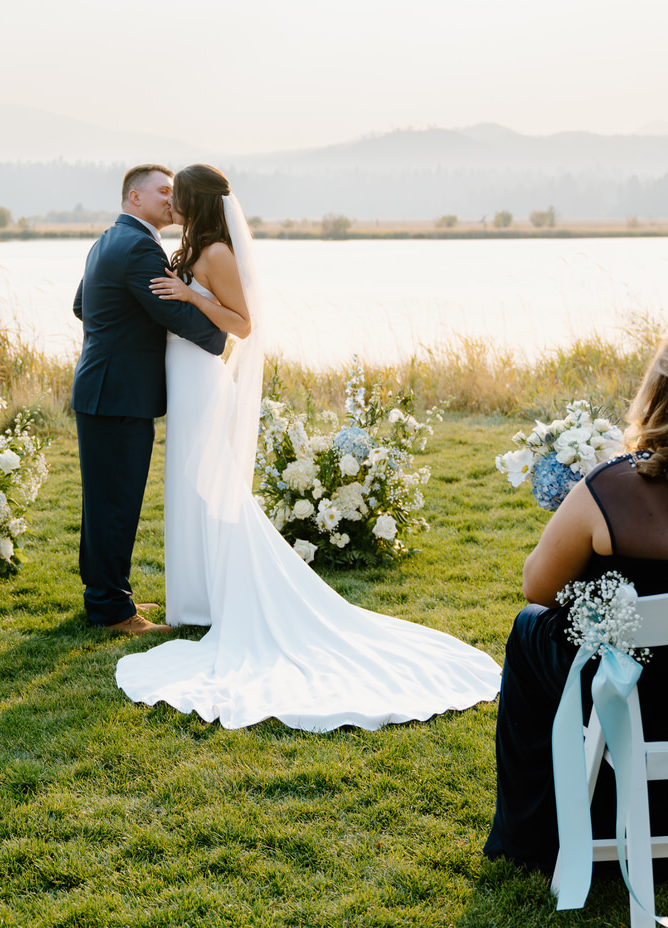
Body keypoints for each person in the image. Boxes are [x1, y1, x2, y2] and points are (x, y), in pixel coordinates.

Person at [116, 165, 502, 730]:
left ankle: (217, 598)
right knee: (189, 487)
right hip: (184, 376)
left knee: (212, 487)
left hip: (202, 380)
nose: (170, 203)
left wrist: (188, 298)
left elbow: (243, 325)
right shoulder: (193, 246)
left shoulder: (217, 252)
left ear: (197, 201)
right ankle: (194, 602)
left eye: (179, 196)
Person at [484, 334, 668, 873]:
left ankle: (532, 837)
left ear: (654, 395)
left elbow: (539, 588)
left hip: (635, 689)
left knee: (530, 627)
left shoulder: (610, 489)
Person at [71, 164, 228, 635]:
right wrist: (221, 335)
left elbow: (83, 305)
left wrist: (117, 331)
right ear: (134, 198)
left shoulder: (107, 239)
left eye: (173, 191)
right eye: (162, 191)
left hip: (103, 389)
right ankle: (115, 612)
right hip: (118, 394)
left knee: (102, 503)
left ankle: (100, 599)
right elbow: (168, 311)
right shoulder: (139, 245)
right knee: (115, 504)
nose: (170, 198)